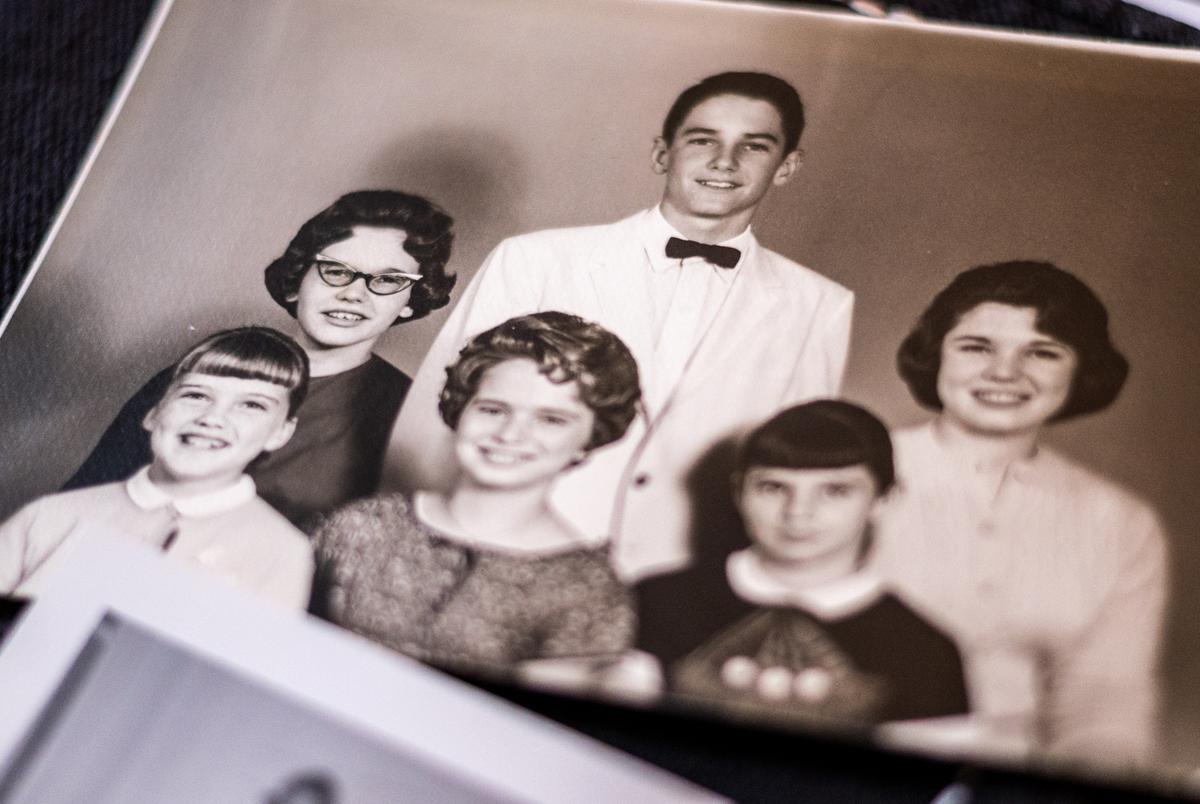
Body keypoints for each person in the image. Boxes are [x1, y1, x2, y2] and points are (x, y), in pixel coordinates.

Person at [387, 72, 853, 580]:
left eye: (754, 146)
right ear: (662, 153)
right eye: (703, 140)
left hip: (685, 577)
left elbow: (800, 462)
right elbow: (436, 418)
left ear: (787, 167)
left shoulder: (819, 305)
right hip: (505, 553)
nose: (725, 161)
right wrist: (407, 554)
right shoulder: (536, 259)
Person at [873, 261, 1167, 763]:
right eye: (976, 347)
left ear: (1080, 371)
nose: (1005, 372)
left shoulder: (1120, 523)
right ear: (935, 355)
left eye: (1043, 352)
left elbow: (1105, 704)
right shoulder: (850, 477)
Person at [64, 190, 456, 529]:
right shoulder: (206, 369)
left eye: (388, 280)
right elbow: (87, 496)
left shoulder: (407, 417)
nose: (354, 294)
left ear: (410, 302)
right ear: (295, 283)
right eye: (335, 271)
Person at [313, 312, 641, 676]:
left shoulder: (587, 590)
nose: (510, 434)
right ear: (460, 410)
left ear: (590, 438)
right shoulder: (361, 525)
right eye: (493, 409)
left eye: (551, 419)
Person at [633, 400, 967, 727]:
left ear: (885, 499)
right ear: (739, 492)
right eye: (773, 487)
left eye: (835, 491)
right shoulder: (655, 602)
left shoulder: (925, 651)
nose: (798, 512)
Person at [0, 327, 315, 610]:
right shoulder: (52, 515)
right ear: (153, 413)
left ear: (281, 432)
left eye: (252, 405)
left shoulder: (283, 552)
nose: (212, 418)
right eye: (196, 395)